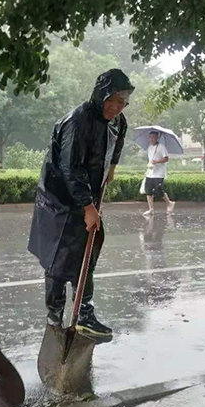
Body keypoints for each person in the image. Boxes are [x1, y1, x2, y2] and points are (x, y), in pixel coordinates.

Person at [28, 69, 134, 337]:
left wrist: (112, 167)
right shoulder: (77, 121)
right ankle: (54, 317)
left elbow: (118, 140)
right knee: (58, 259)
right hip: (58, 199)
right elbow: (71, 168)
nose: (116, 107)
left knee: (88, 251)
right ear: (101, 96)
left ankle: (85, 313)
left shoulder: (117, 121)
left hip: (87, 194)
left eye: (122, 103)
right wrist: (88, 208)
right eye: (112, 100)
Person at [142, 131, 176, 216]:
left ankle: (169, 203)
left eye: (153, 137)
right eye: (150, 137)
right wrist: (149, 165)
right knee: (148, 191)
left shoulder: (161, 147)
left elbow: (166, 159)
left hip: (159, 173)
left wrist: (156, 162)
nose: (152, 139)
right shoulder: (149, 148)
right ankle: (151, 209)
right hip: (151, 172)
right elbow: (150, 159)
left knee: (158, 190)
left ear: (157, 138)